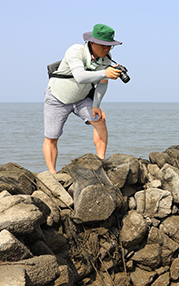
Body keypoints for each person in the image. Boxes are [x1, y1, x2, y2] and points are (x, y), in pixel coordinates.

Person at [43, 24, 124, 174]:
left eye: (110, 46)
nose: (107, 49)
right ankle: (52, 174)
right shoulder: (75, 51)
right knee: (52, 136)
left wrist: (96, 105)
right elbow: (80, 76)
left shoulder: (106, 60)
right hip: (57, 96)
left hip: (81, 98)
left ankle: (101, 161)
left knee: (99, 121)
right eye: (104, 45)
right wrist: (105, 73)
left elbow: (102, 84)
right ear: (92, 42)